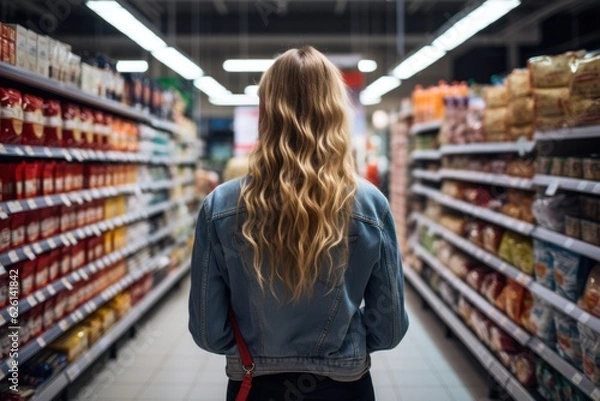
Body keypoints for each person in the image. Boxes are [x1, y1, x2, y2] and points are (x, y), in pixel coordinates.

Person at [188, 46, 408, 401]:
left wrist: (256, 349)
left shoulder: (220, 207)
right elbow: (391, 327)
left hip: (254, 383)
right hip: (344, 388)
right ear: (336, 112)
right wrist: (345, 345)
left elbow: (207, 331)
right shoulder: (370, 205)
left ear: (266, 112)